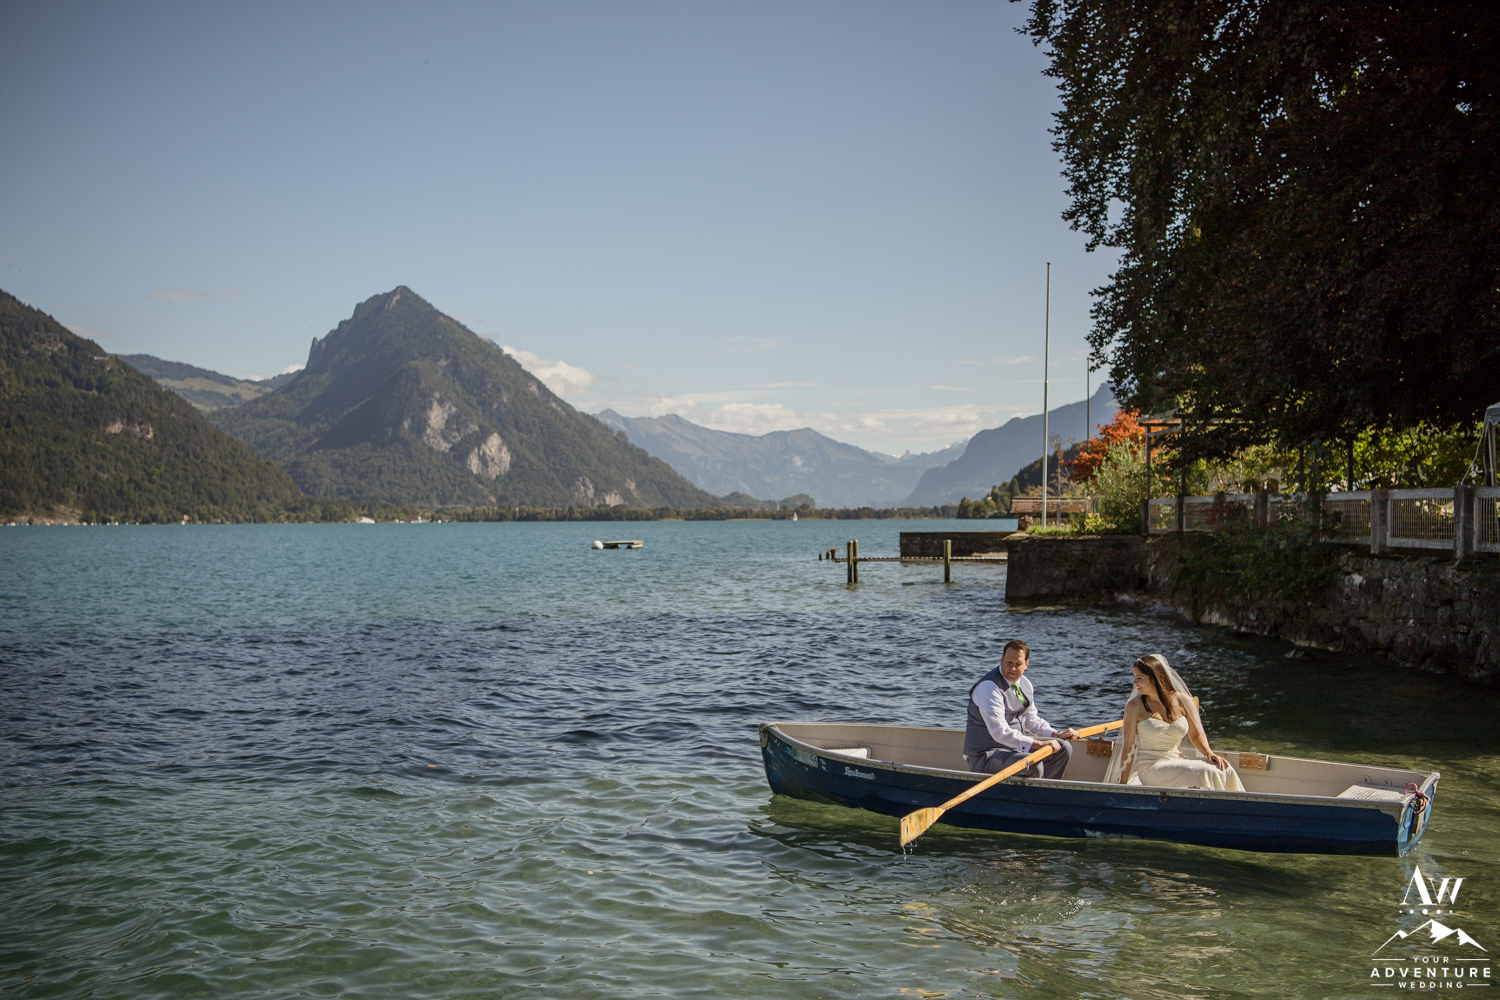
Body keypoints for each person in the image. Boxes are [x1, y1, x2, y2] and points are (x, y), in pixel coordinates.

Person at [1105, 653, 1245, 791]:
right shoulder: (1135, 706)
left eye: (1139, 678)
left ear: (1155, 679)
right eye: (1134, 677)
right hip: (1151, 766)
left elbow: (1196, 735)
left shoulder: (1184, 701)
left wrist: (1209, 753)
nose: (1135, 683)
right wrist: (1123, 784)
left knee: (1225, 769)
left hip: (1178, 760)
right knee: (1204, 772)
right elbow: (1129, 746)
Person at [963, 640, 1079, 779]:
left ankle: (1045, 794)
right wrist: (1039, 744)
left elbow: (1031, 720)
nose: (1012, 668)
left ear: (1026, 664)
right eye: (1008, 662)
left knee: (1063, 748)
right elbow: (999, 732)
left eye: (1017, 664)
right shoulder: (989, 687)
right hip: (986, 756)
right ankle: (1034, 795)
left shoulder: (1025, 684)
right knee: (1032, 764)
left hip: (1014, 751)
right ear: (1001, 660)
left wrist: (1056, 734)